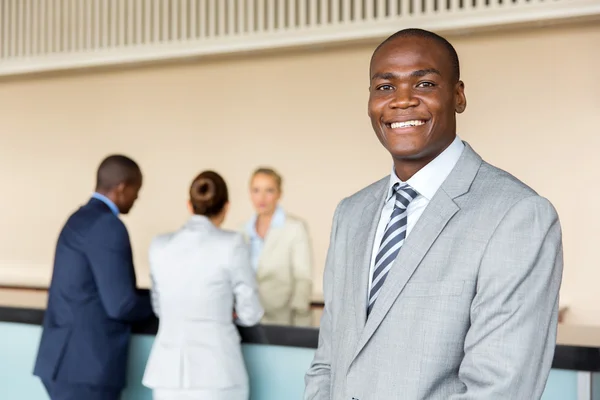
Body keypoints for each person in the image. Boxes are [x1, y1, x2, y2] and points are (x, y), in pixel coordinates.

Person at [304, 28, 563, 400]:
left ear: (458, 96)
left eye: (424, 83)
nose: (402, 101)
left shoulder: (517, 215)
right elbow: (328, 361)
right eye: (385, 87)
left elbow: (501, 390)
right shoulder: (351, 214)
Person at [33, 155, 153, 400]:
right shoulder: (108, 226)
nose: (137, 198)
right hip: (87, 369)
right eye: (136, 191)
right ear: (122, 188)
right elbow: (121, 305)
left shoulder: (79, 218)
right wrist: (165, 301)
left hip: (62, 361)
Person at [143, 170, 263, 400]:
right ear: (226, 207)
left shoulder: (159, 246)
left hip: (167, 374)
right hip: (218, 372)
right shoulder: (232, 244)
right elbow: (251, 313)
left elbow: (159, 307)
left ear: (190, 205)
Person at [243, 167, 313, 326]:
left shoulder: (295, 228)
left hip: (284, 320)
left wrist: (299, 324)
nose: (261, 197)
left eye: (269, 190)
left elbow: (303, 278)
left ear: (279, 194)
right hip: (248, 320)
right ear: (250, 193)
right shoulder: (242, 232)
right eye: (256, 190)